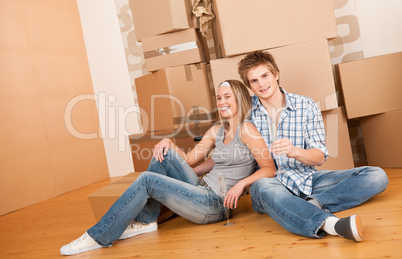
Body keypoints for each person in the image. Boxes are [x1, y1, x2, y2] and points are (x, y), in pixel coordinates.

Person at [60, 79, 277, 255]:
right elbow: (189, 160)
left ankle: (98, 236)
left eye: (227, 97)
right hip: (201, 189)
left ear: (239, 98)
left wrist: (241, 185)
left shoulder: (247, 130)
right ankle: (146, 221)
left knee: (147, 180)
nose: (221, 102)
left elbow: (269, 168)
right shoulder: (217, 130)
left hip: (216, 203)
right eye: (219, 98)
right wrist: (169, 144)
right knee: (163, 155)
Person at [196, 50, 389, 242]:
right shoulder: (246, 113)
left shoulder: (306, 106)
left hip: (306, 179)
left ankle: (313, 203)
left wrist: (294, 151)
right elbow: (226, 151)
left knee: (376, 176)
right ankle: (330, 224)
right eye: (254, 81)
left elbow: (319, 157)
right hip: (269, 184)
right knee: (263, 186)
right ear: (249, 86)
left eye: (265, 75)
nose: (262, 84)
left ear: (276, 74)